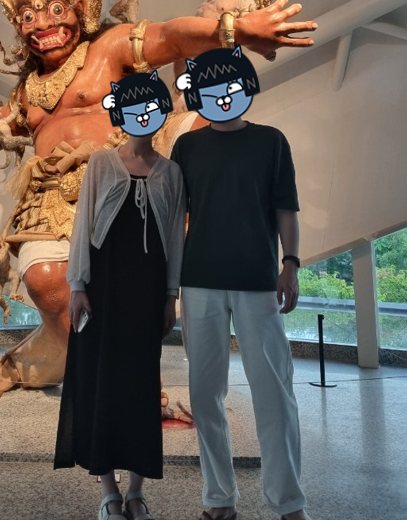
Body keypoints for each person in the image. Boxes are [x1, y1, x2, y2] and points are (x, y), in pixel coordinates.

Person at [0, 0, 316, 399]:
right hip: (51, 197)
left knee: (198, 134)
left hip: (125, 180)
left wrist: (233, 29)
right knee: (46, 282)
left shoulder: (109, 49)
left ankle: (140, 368)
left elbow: (170, 36)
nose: (43, 24)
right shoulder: (27, 89)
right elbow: (0, 126)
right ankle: (105, 376)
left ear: (79, 8)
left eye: (55, 9)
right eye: (28, 16)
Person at [172, 48, 312, 520]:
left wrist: (290, 263)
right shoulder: (187, 147)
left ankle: (288, 502)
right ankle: (218, 498)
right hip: (199, 282)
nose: (221, 98)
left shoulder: (271, 141)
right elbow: (176, 217)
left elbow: (286, 209)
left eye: (229, 88)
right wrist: (169, 283)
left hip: (257, 280)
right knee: (203, 395)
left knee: (274, 392)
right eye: (209, 91)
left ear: (246, 87)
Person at [54, 72, 187, 520]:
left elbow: (174, 237)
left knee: (140, 386)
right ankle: (108, 490)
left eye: (150, 108)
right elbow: (83, 227)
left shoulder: (172, 173)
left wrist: (170, 295)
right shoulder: (100, 163)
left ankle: (136, 491)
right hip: (102, 290)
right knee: (102, 384)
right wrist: (77, 286)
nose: (142, 116)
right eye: (133, 109)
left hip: (147, 292)